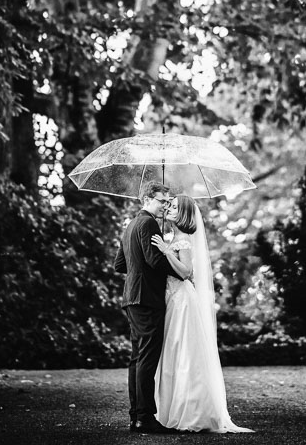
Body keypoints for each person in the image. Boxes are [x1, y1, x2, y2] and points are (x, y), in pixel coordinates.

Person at [149, 194, 253, 433]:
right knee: (173, 353)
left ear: (184, 213)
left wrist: (166, 251)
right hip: (171, 298)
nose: (170, 209)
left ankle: (192, 411)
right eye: (169, 206)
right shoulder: (173, 236)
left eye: (175, 207)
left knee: (183, 352)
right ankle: (170, 410)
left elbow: (185, 272)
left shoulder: (183, 239)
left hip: (182, 300)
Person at [114, 181, 182, 434]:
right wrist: (176, 268)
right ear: (147, 199)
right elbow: (154, 261)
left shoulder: (131, 225)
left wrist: (143, 265)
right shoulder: (149, 223)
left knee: (138, 357)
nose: (166, 206)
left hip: (132, 297)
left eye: (168, 202)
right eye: (162, 201)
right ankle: (144, 417)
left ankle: (137, 416)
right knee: (147, 357)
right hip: (147, 298)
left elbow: (120, 265)